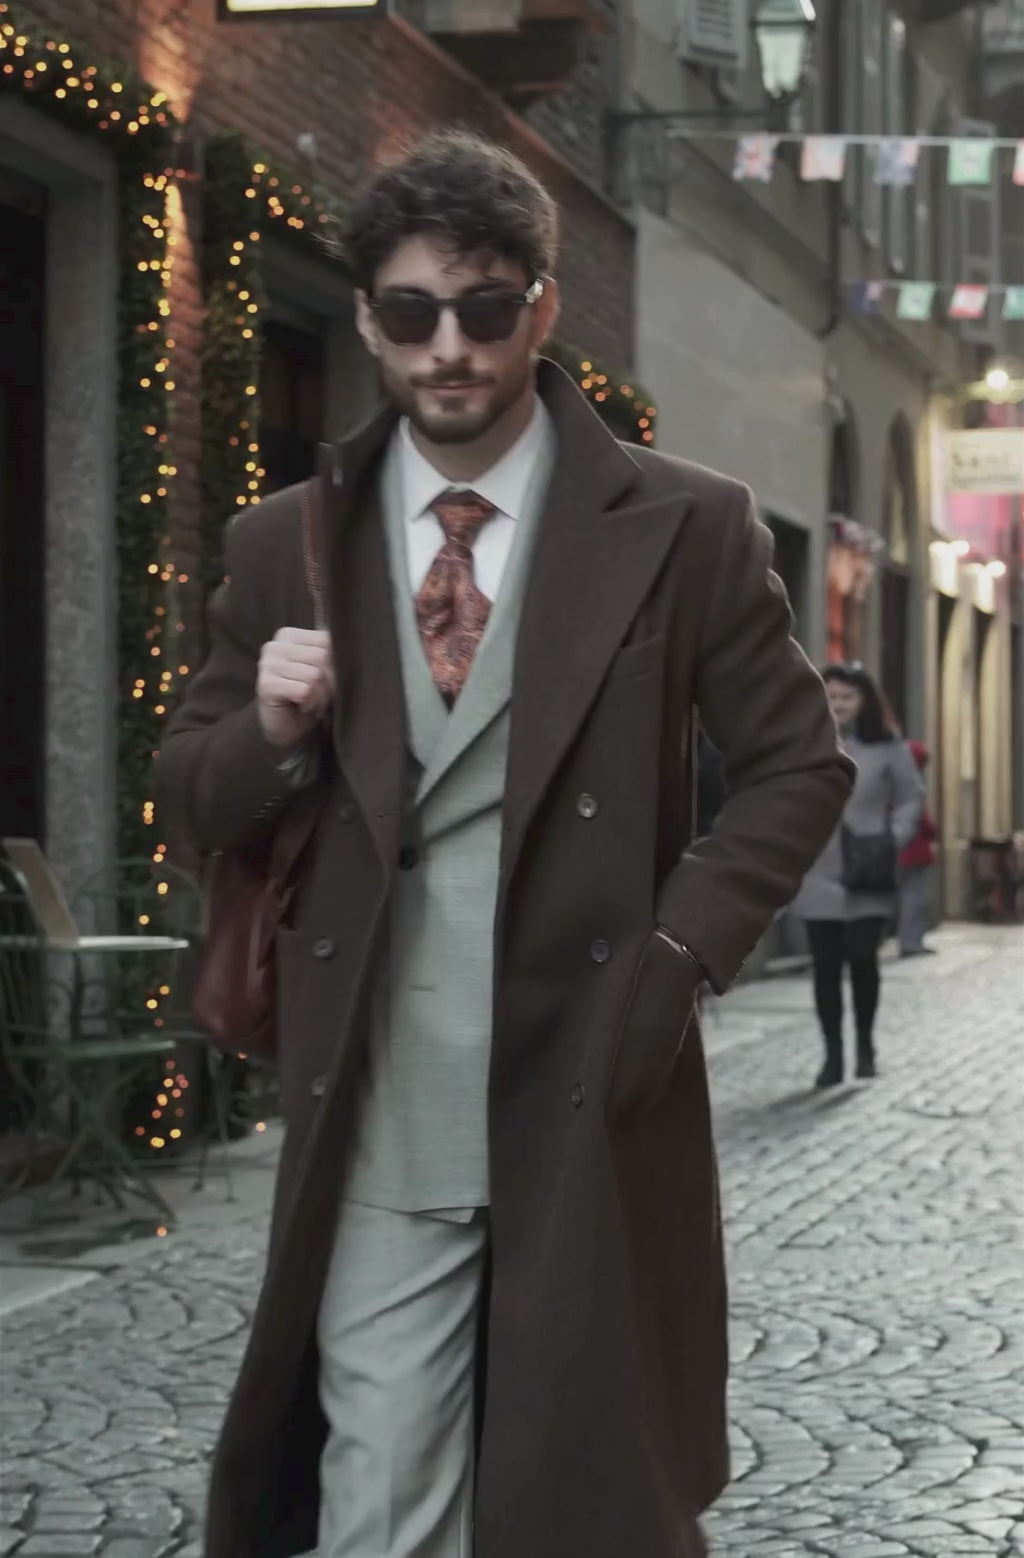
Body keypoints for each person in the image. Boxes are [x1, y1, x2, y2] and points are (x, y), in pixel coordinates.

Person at [156, 130, 853, 1558]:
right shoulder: (284, 542)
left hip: (590, 1078)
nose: (449, 347)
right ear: (368, 321)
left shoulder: (686, 523)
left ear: (542, 305)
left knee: (579, 1495)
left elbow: (796, 764)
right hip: (381, 1084)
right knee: (378, 1503)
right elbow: (189, 792)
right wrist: (270, 729)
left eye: (484, 306)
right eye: (411, 311)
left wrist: (674, 954)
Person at [792, 662, 924, 1089]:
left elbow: (911, 796)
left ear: (864, 701)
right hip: (819, 871)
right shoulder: (803, 743)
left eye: (847, 697)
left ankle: (865, 1046)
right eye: (831, 696)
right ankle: (832, 1056)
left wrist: (893, 838)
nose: (838, 705)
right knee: (826, 968)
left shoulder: (888, 747)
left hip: (869, 871)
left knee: (864, 960)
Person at [898, 739, 938, 956]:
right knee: (914, 898)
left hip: (900, 850)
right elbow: (921, 819)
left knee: (907, 897)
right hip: (914, 850)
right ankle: (911, 942)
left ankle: (910, 941)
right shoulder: (914, 783)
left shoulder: (895, 778)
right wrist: (932, 830)